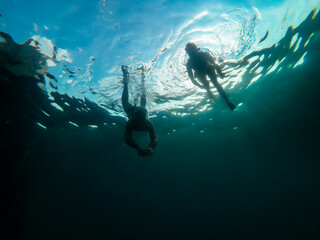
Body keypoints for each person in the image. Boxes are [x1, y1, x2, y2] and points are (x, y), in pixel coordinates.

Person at [185, 42, 236, 110]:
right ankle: (209, 92)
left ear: (196, 49)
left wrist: (220, 72)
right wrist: (200, 86)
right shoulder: (189, 63)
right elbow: (192, 79)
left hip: (208, 68)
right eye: (190, 51)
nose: (192, 52)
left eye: (192, 49)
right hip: (200, 73)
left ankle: (227, 102)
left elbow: (214, 63)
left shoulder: (204, 54)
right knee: (208, 86)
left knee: (215, 83)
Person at [121, 65, 157, 157]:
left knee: (125, 101)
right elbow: (154, 140)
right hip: (136, 111)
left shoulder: (133, 122)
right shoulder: (147, 123)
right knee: (142, 95)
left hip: (135, 111)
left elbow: (128, 139)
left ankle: (128, 80)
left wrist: (142, 148)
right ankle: (142, 76)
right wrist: (148, 148)